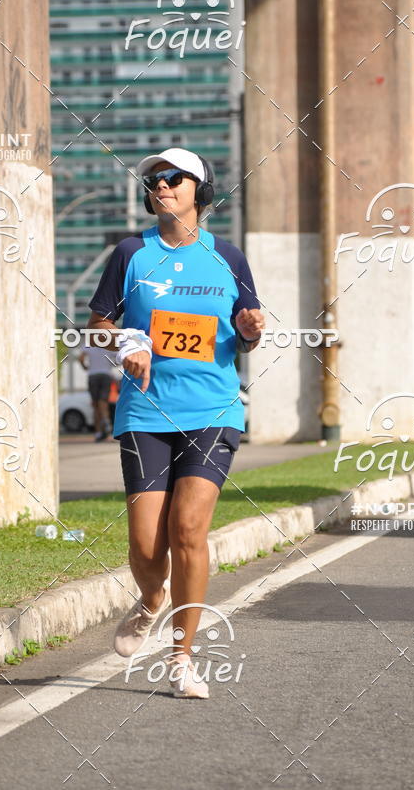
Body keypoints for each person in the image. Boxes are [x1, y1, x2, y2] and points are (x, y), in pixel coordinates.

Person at [85, 148, 264, 697]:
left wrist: (251, 330)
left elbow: (246, 334)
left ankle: (182, 656)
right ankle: (150, 598)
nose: (160, 185)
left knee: (188, 530)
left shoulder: (228, 257)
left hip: (212, 410)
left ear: (200, 190)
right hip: (145, 411)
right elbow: (96, 326)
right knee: (146, 547)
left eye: (173, 178)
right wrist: (128, 340)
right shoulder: (131, 254)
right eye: (154, 180)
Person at [78, 344, 115, 441]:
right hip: (106, 374)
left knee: (95, 405)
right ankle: (107, 427)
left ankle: (98, 432)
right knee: (103, 403)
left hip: (93, 375)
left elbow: (81, 358)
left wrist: (85, 367)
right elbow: (118, 356)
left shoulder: (89, 343)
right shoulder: (108, 343)